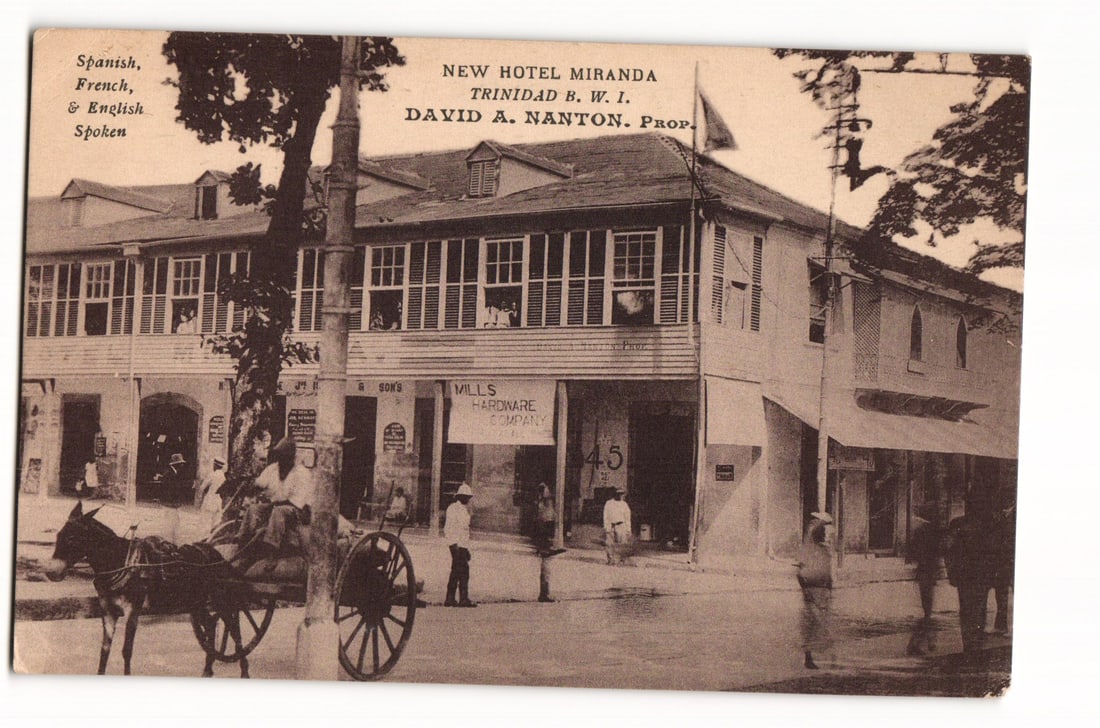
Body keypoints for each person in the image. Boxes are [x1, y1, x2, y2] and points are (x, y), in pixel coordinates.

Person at [238, 438, 313, 569]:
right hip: (275, 506)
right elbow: (259, 484)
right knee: (253, 509)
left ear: (291, 457)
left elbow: (297, 503)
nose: (281, 460)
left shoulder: (302, 473)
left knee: (279, 512)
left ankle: (272, 552)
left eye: (285, 457)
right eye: (280, 456)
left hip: (296, 511)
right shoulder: (273, 468)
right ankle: (243, 543)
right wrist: (248, 485)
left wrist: (273, 505)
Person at [944, 491, 995, 658]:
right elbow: (996, 552)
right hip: (980, 574)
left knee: (967, 610)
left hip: (966, 575)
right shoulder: (988, 525)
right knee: (979, 608)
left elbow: (949, 550)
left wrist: (951, 572)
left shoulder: (957, 524)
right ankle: (975, 643)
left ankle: (970, 643)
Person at [797, 512, 835, 670]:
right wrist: (806, 589)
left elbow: (827, 571)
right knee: (814, 623)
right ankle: (809, 656)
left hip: (820, 589)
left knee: (817, 623)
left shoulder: (823, 550)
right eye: (825, 534)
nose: (828, 537)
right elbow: (801, 571)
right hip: (814, 589)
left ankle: (814, 655)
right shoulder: (813, 549)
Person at [905, 505, 943, 656]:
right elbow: (937, 550)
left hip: (924, 571)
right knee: (928, 609)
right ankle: (920, 641)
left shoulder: (921, 530)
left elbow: (912, 551)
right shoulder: (931, 531)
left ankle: (925, 638)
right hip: (929, 571)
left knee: (927, 607)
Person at [444, 482, 476, 607]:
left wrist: (466, 549)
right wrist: (454, 545)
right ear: (461, 496)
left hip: (462, 545)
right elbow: (449, 528)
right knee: (463, 571)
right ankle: (463, 599)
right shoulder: (453, 509)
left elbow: (464, 531)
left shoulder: (463, 510)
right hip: (456, 545)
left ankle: (450, 598)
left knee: (456, 571)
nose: (468, 499)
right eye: (467, 497)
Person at [533, 482, 566, 602]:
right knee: (546, 569)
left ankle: (544, 593)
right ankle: (544, 594)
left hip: (544, 542)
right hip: (544, 543)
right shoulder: (543, 508)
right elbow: (543, 526)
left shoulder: (543, 506)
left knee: (546, 569)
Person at [990, 504, 1016, 635]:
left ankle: (1004, 626)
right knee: (1001, 594)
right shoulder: (1004, 517)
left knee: (1004, 594)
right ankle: (1000, 625)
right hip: (1003, 561)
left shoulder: (1011, 518)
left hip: (1009, 559)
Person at [603, 486, 631, 565]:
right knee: (609, 543)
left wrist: (628, 529)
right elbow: (606, 515)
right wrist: (606, 526)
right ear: (615, 494)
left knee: (622, 544)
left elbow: (627, 517)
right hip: (611, 525)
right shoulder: (609, 503)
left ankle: (622, 560)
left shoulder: (624, 504)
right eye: (618, 494)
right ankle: (610, 559)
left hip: (621, 525)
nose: (620, 495)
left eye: (621, 494)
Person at [197, 457, 227, 529]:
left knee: (205, 523)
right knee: (215, 523)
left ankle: (205, 538)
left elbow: (202, 487)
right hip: (218, 502)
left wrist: (200, 498)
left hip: (210, 501)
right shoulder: (223, 477)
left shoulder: (212, 475)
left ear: (215, 465)